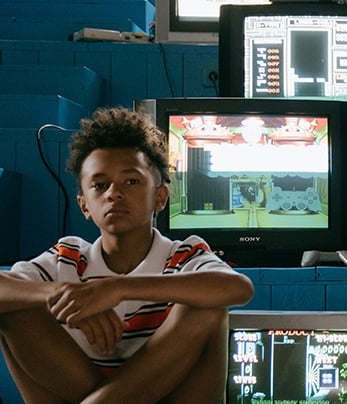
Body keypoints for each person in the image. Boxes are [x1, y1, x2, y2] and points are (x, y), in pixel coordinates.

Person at [0, 107, 255, 403]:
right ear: (84, 205)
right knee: (15, 305)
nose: (114, 193)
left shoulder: (183, 256)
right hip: (82, 387)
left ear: (160, 197)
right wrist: (64, 293)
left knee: (206, 304)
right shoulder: (68, 257)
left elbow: (238, 288)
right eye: (100, 185)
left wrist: (116, 289)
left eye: (130, 181)